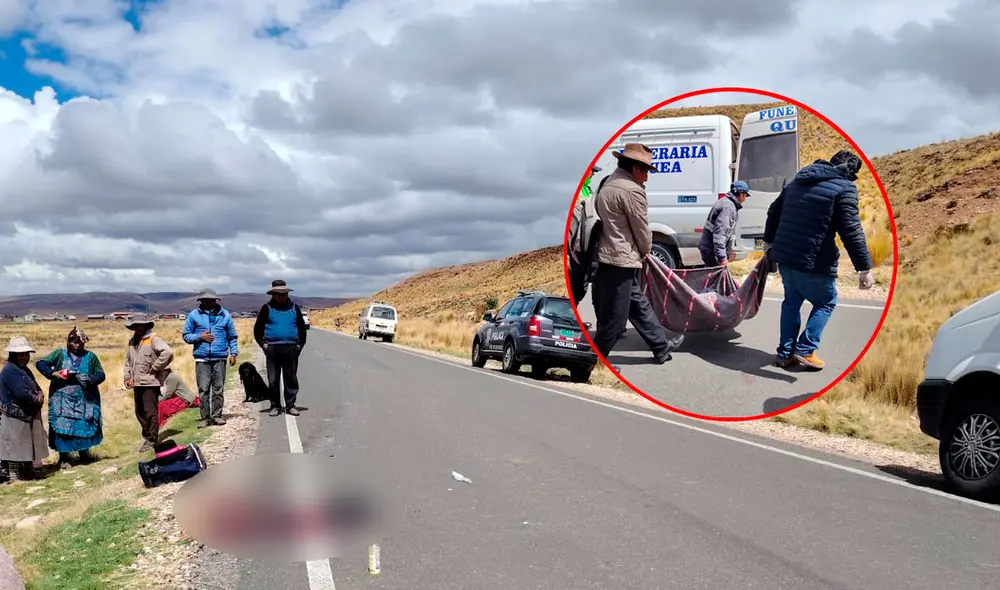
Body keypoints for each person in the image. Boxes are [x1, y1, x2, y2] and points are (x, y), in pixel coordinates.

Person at [762, 149, 875, 370]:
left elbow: (773, 212)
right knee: (826, 301)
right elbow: (851, 229)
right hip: (812, 261)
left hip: (785, 258)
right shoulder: (844, 188)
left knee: (791, 303)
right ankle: (805, 349)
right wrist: (864, 267)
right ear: (849, 171)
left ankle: (785, 354)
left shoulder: (796, 182)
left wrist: (769, 243)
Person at [591, 143, 684, 368]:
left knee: (638, 305)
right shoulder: (632, 191)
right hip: (621, 258)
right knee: (616, 317)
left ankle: (660, 348)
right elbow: (641, 229)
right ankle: (595, 360)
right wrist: (645, 251)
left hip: (610, 255)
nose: (646, 177)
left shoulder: (608, 183)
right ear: (634, 167)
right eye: (645, 171)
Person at [35, 327, 105, 469]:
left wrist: (90, 379)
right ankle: (64, 458)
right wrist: (54, 374)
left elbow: (101, 374)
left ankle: (84, 454)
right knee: (62, 426)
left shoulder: (90, 357)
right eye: (74, 341)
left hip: (84, 399)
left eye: (80, 342)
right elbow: (41, 363)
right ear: (68, 342)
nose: (77, 344)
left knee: (84, 424)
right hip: (62, 400)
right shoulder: (59, 354)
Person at [182, 289, 239, 428]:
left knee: (218, 388)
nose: (209, 302)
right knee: (204, 389)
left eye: (212, 300)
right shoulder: (194, 315)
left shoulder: (224, 315)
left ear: (215, 301)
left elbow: (232, 336)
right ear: (201, 301)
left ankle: (217, 416)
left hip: (220, 357)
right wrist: (199, 336)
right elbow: (186, 335)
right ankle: (205, 418)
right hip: (202, 358)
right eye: (206, 300)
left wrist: (234, 353)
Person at [253, 280, 308, 417]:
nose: (281, 296)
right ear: (273, 294)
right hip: (272, 348)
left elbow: (301, 328)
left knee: (291, 378)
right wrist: (263, 344)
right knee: (273, 379)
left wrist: (299, 346)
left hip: (291, 347)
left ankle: (290, 405)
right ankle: (275, 405)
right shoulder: (267, 308)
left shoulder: (294, 307)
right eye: (278, 294)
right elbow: (258, 329)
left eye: (283, 294)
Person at [0, 336, 48, 482]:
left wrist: (40, 393)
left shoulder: (24, 369)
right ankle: (14, 475)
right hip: (14, 415)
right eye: (21, 354)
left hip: (27, 413)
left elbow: (35, 386)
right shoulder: (9, 371)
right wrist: (36, 398)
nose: (25, 357)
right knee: (14, 447)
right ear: (13, 355)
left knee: (27, 446)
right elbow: (21, 393)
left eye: (26, 354)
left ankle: (28, 472)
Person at [123, 314, 174, 452]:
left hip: (151, 382)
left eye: (139, 325)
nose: (137, 328)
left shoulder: (153, 339)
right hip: (137, 383)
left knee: (150, 411)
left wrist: (156, 367)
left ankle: (152, 439)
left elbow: (167, 353)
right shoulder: (132, 341)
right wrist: (127, 377)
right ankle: (147, 436)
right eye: (135, 325)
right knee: (139, 412)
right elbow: (128, 361)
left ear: (145, 325)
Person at [698, 181, 752, 267]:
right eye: (745, 195)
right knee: (717, 278)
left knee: (714, 278)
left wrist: (728, 251)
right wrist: (722, 258)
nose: (745, 199)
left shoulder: (725, 203)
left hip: (709, 249)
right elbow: (720, 234)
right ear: (741, 194)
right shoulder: (728, 208)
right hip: (711, 251)